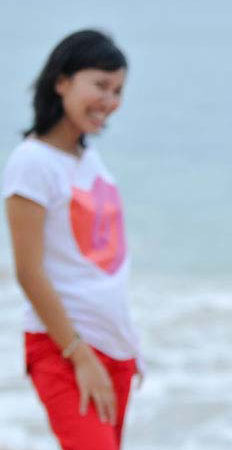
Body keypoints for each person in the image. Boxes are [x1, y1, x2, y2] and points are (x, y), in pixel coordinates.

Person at [3, 29, 142, 449]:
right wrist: (79, 355)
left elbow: (104, 262)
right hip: (65, 347)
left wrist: (130, 348)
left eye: (117, 91)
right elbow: (29, 272)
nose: (110, 101)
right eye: (100, 85)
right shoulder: (32, 163)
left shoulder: (90, 159)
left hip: (116, 345)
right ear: (61, 81)